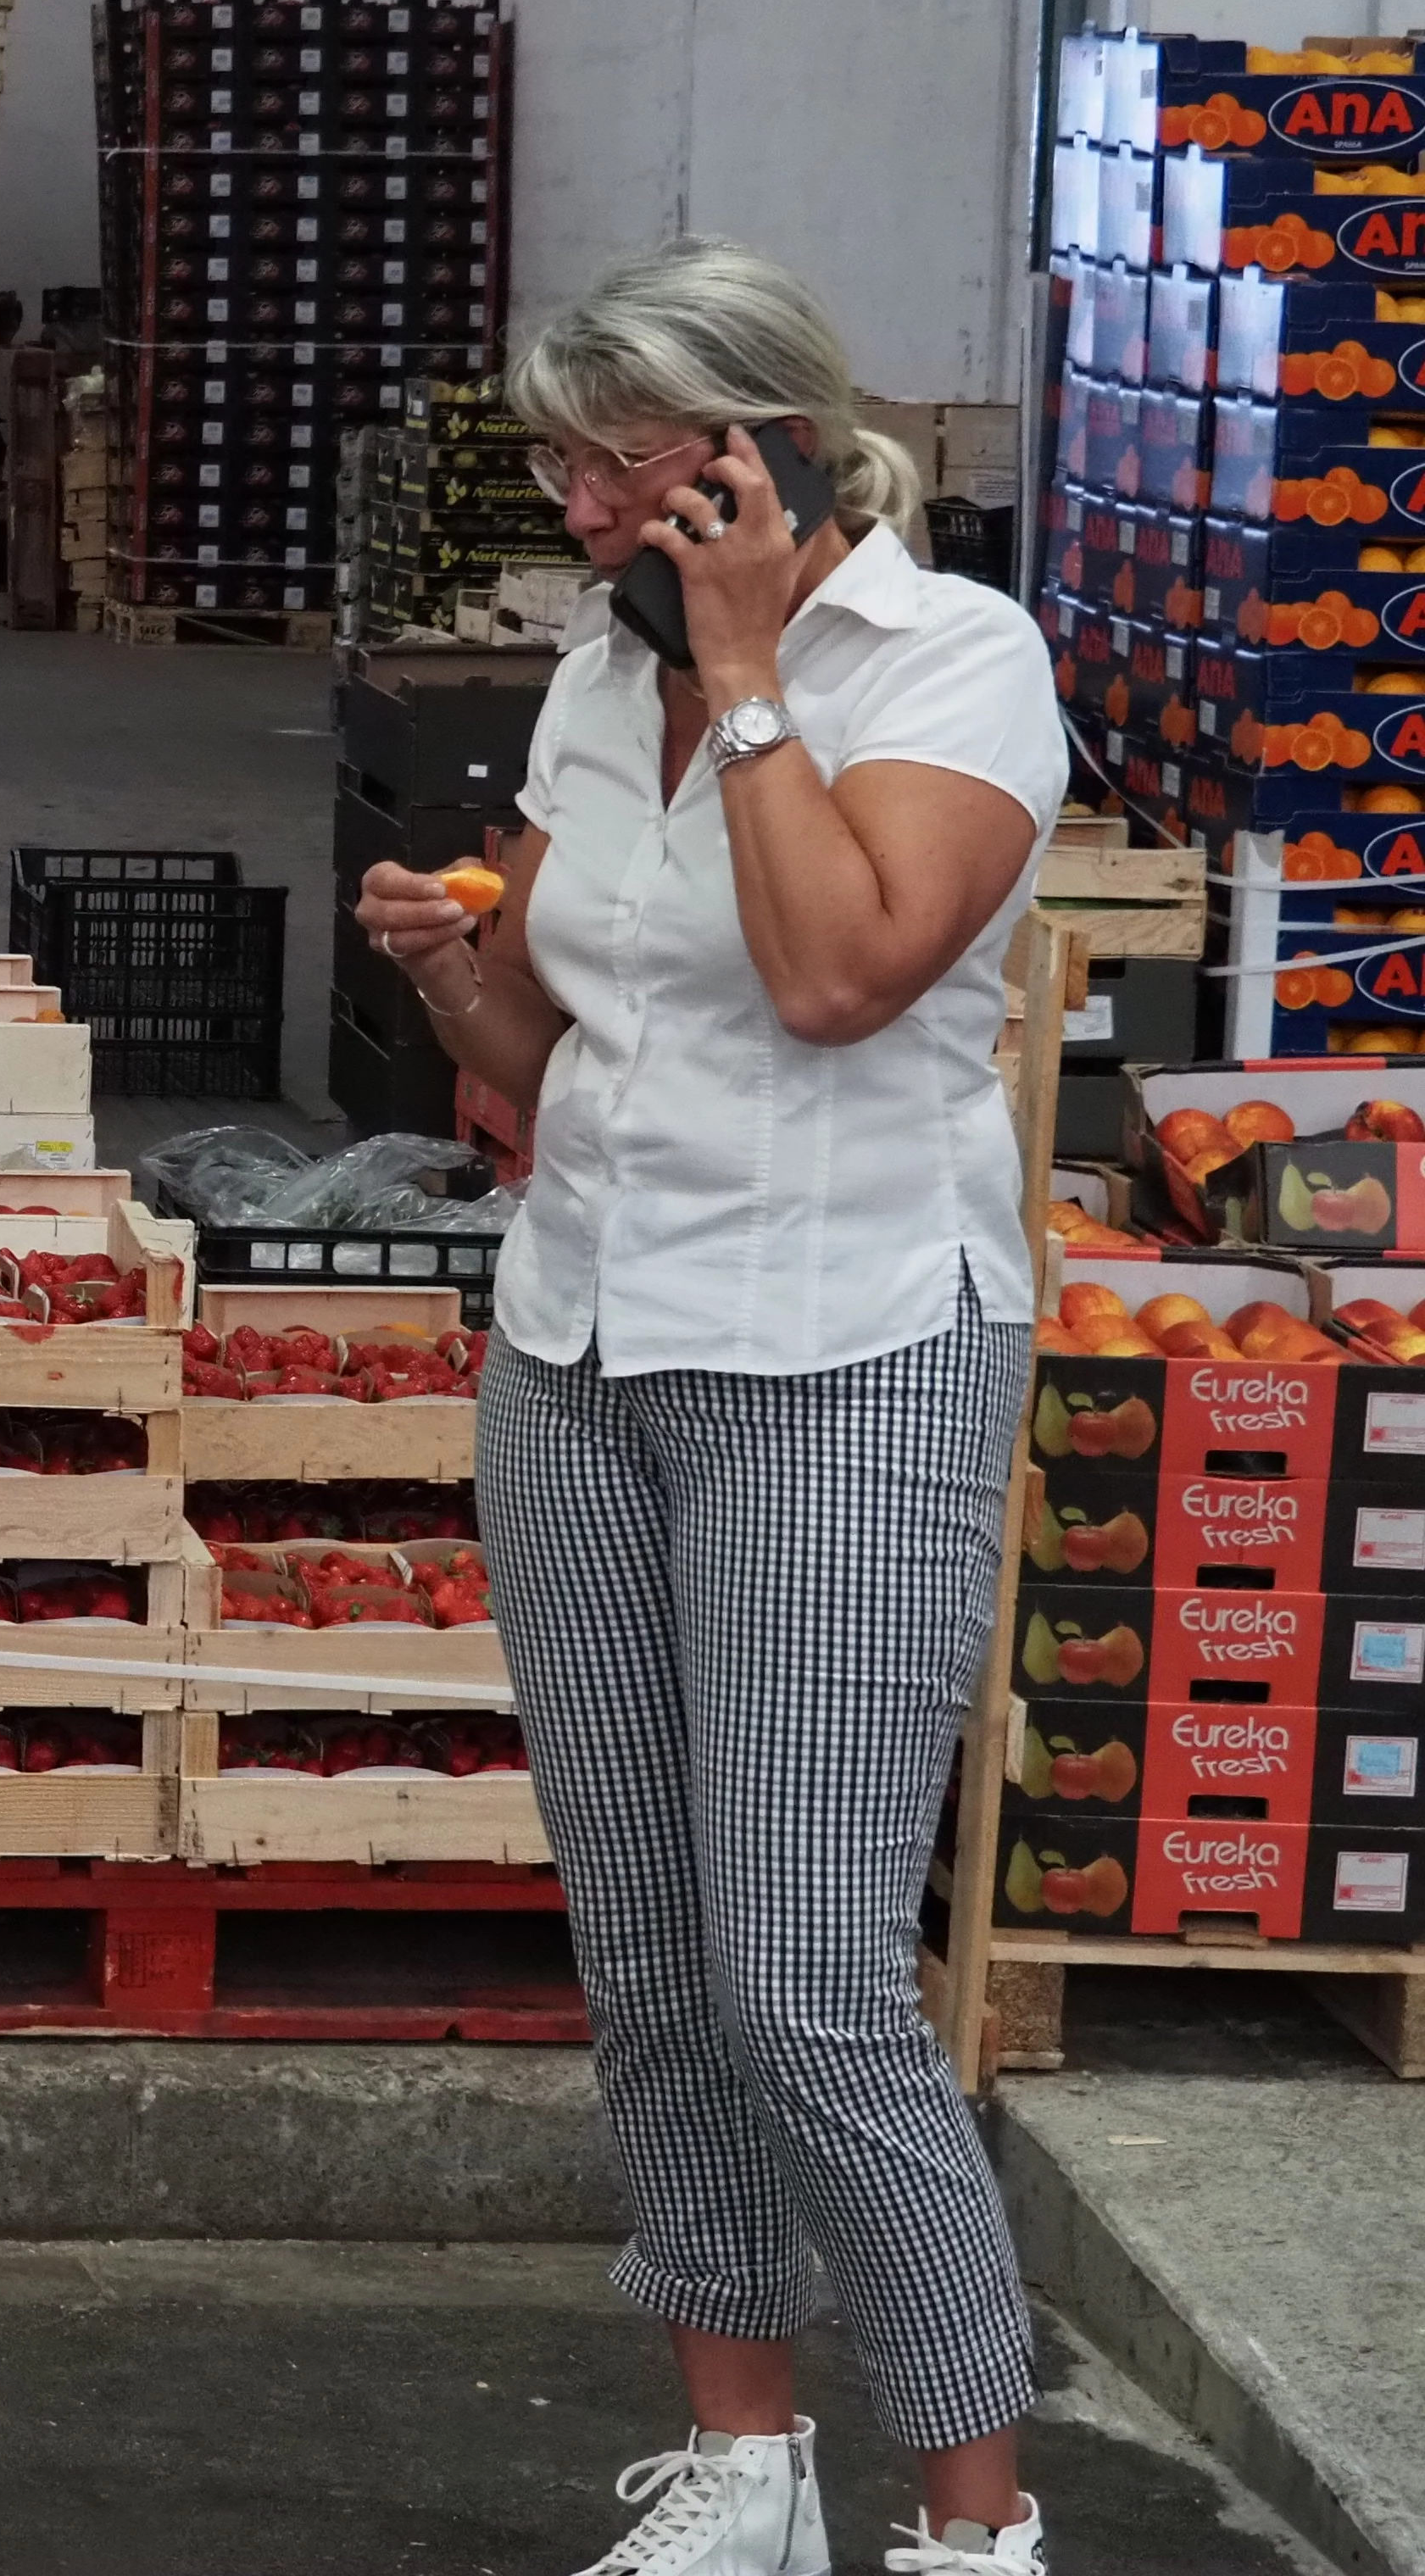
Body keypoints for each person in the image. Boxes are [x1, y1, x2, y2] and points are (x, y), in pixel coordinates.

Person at [355, 239, 1066, 2576]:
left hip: (846, 1350)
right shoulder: (592, 676)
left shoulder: (958, 665)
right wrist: (454, 960)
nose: (571, 504)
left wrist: (753, 683)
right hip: (583, 1350)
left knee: (808, 1983)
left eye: (610, 460)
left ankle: (977, 2523)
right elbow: (543, 1064)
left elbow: (845, 974)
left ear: (749, 450)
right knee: (654, 1960)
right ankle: (743, 2473)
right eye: (556, 460)